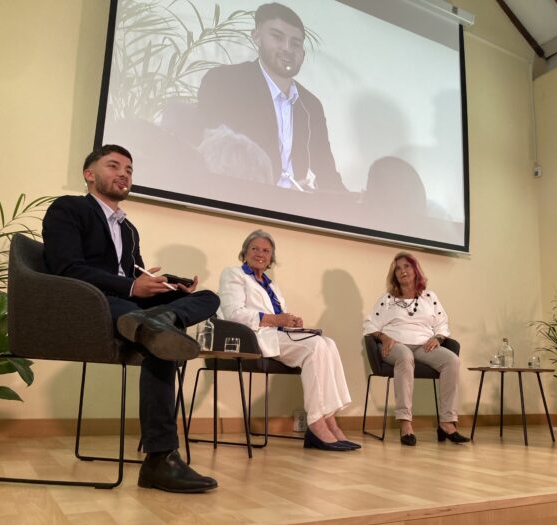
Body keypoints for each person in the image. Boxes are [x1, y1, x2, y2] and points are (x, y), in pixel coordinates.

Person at [42, 144, 220, 492]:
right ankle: (160, 460)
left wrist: (168, 286)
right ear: (89, 174)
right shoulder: (68, 209)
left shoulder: (128, 230)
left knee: (206, 298)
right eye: (113, 166)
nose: (123, 173)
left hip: (128, 306)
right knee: (158, 337)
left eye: (129, 169)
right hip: (88, 305)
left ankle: (162, 318)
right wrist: (131, 286)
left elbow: (134, 275)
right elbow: (67, 269)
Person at [218, 230, 358, 451]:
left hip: (276, 334)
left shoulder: (271, 285)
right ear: (245, 252)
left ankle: (329, 419)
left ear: (271, 258)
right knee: (314, 346)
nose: (260, 254)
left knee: (328, 343)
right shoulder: (233, 274)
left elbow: (278, 319)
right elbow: (233, 314)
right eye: (255, 249)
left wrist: (291, 323)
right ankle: (316, 423)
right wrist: (276, 319)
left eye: (266, 251)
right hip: (252, 338)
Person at [198, 2, 346, 192]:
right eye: (277, 37)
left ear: (303, 54)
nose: (287, 48)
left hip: (297, 206)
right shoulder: (224, 82)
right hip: (238, 199)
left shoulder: (311, 105)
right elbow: (211, 156)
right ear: (257, 37)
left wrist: (355, 203)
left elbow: (326, 172)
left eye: (295, 43)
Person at [363, 252, 469, 446]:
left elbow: (442, 324)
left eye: (407, 266)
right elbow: (370, 324)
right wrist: (384, 337)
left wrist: (437, 338)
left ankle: (447, 423)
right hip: (395, 345)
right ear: (394, 275)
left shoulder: (430, 297)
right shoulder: (388, 299)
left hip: (423, 345)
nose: (402, 271)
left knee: (452, 360)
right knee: (405, 356)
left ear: (415, 270)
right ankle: (405, 423)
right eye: (398, 268)